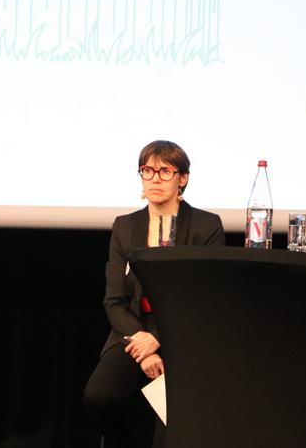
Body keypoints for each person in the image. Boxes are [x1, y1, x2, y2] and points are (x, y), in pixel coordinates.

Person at [83, 140, 225, 448]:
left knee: (170, 425)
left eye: (165, 170)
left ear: (182, 178)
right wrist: (142, 342)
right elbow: (114, 300)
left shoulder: (205, 225)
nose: (155, 178)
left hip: (184, 335)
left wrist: (159, 338)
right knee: (98, 396)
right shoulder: (125, 226)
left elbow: (205, 299)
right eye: (147, 170)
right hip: (133, 333)